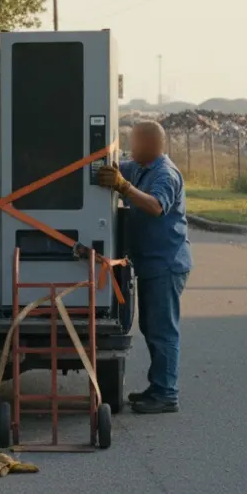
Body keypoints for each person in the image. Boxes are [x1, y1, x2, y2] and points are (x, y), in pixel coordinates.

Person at [96, 121, 193, 414]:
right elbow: (113, 168)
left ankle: (166, 394)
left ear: (151, 145)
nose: (131, 146)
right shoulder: (140, 167)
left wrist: (123, 187)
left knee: (162, 329)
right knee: (151, 326)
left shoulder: (165, 174)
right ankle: (158, 387)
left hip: (166, 264)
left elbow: (155, 206)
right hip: (151, 262)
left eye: (134, 142)